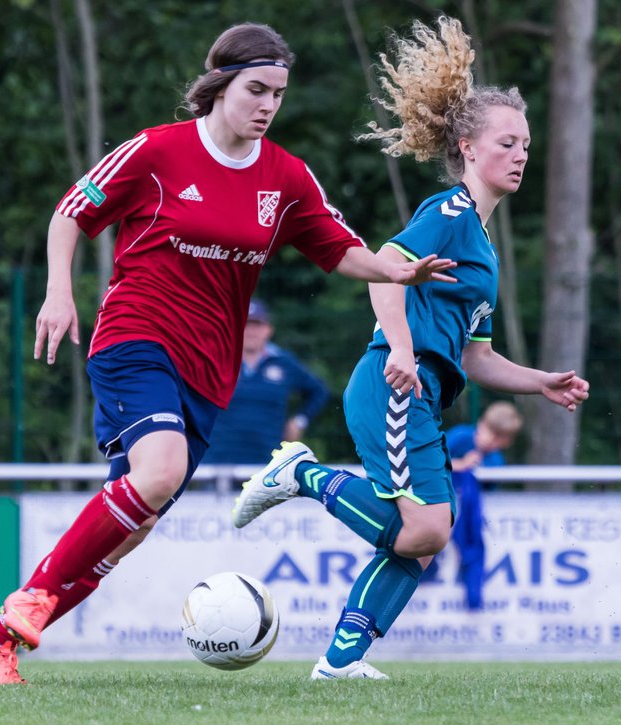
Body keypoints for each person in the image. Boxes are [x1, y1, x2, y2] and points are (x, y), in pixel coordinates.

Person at [0, 22, 455, 684]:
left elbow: (340, 251)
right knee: (158, 473)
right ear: (220, 85)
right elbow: (70, 212)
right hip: (135, 337)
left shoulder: (286, 178)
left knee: (131, 527)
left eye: (278, 93)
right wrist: (58, 293)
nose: (267, 105)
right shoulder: (157, 152)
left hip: (208, 372)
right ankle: (30, 599)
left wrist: (398, 273)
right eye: (256, 89)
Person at [232, 16, 590, 680]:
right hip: (396, 383)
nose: (521, 155)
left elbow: (477, 357)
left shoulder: (480, 243)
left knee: (422, 541)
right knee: (426, 530)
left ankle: (340, 663)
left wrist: (540, 381)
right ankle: (301, 474)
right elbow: (384, 270)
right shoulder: (449, 214)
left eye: (527, 145)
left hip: (423, 391)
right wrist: (399, 347)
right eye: (508, 142)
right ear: (469, 147)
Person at [203, 299, 329, 465]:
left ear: (269, 330)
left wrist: (299, 421)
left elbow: (319, 391)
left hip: (267, 462)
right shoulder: (217, 359)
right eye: (246, 325)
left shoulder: (283, 362)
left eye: (257, 325)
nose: (251, 332)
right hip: (217, 462)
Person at [435, 401, 524, 610]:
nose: (491, 440)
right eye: (489, 432)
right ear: (481, 424)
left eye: (499, 438)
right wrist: (459, 465)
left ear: (506, 442)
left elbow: (489, 487)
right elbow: (431, 461)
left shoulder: (495, 459)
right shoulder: (460, 437)